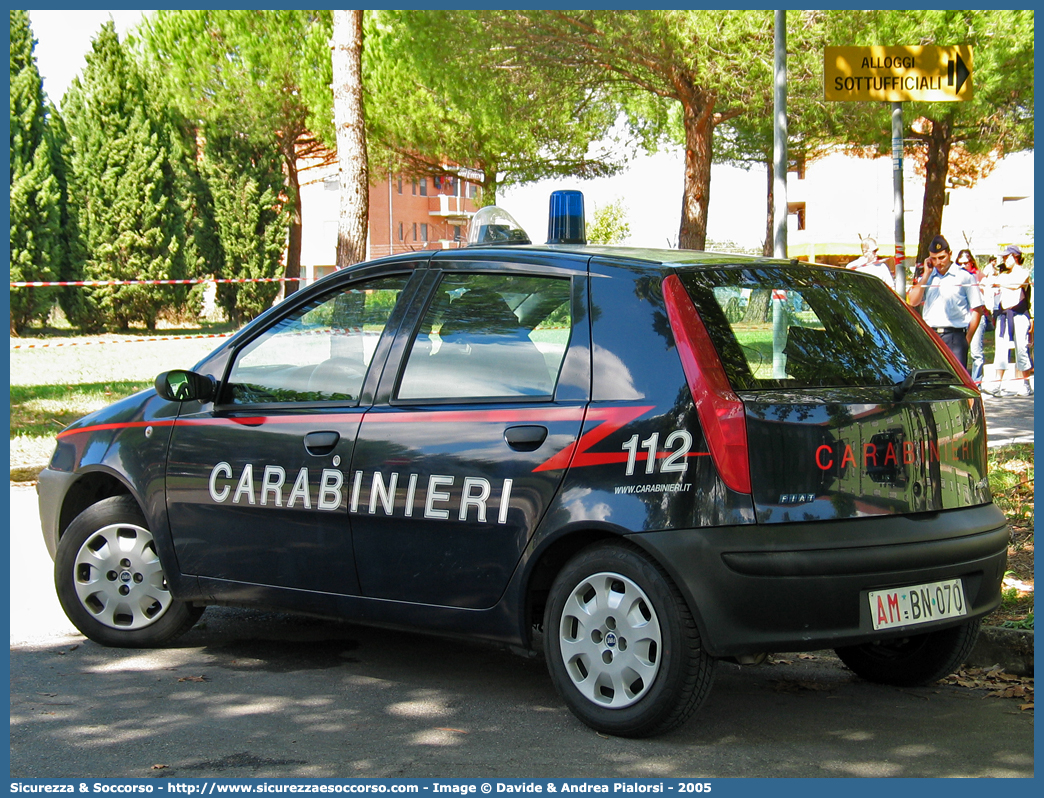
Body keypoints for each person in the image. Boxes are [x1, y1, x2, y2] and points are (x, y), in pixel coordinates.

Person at [906, 234, 986, 371]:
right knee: (930, 379)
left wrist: (967, 340)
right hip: (931, 335)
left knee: (955, 381)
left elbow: (977, 310)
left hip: (955, 336)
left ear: (950, 254)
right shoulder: (928, 276)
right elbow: (912, 301)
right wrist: (925, 275)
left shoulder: (965, 277)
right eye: (934, 258)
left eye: (942, 257)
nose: (938, 262)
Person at [983, 244, 1033, 397]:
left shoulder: (1023, 273)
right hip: (1004, 316)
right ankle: (997, 384)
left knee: (1022, 349)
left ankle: (1025, 384)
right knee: (1001, 349)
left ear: (1015, 256)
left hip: (1019, 314)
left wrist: (997, 281)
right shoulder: (1003, 274)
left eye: (1007, 256)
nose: (1004, 259)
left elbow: (1015, 285)